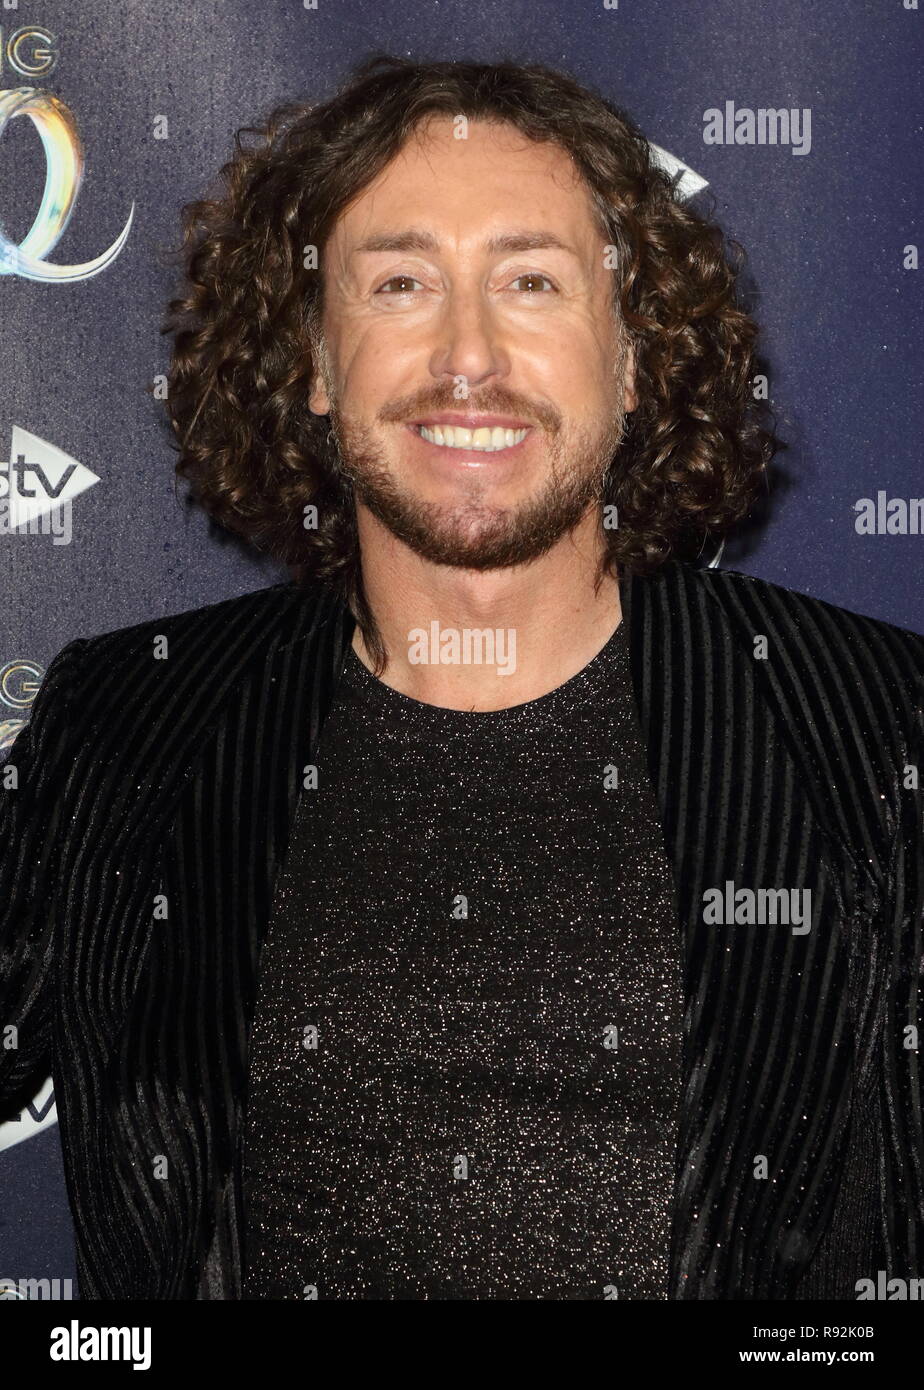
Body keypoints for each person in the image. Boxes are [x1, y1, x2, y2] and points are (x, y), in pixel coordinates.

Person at [1, 55, 921, 1301]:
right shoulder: (129, 724)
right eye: (399, 283)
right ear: (316, 364)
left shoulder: (869, 724)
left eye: (531, 281)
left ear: (635, 356)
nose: (469, 355)